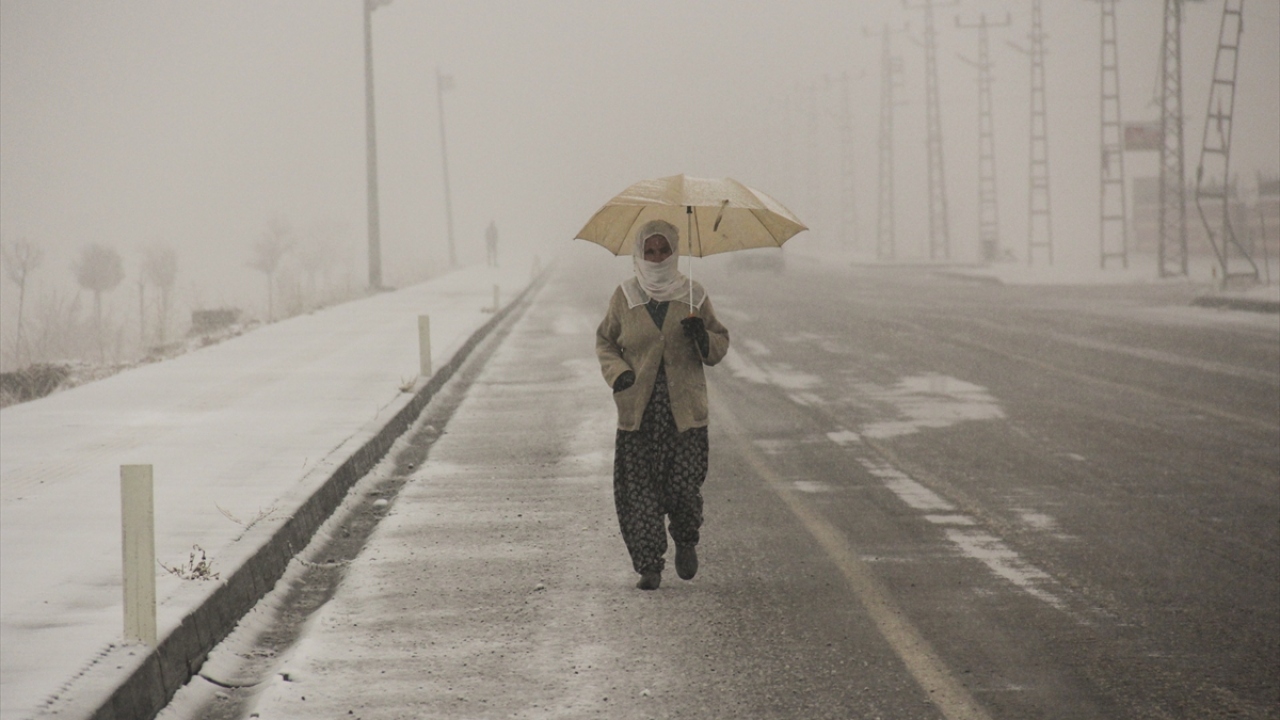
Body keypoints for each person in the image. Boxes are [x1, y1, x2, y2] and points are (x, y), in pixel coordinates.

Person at [595, 219, 730, 590]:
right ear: (640, 254)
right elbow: (605, 342)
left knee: (684, 488)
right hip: (638, 414)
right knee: (638, 492)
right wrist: (618, 373)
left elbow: (718, 345)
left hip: (684, 414)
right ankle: (649, 564)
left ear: (674, 251)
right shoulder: (624, 297)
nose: (657, 257)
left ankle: (686, 540)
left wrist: (701, 336)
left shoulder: (693, 296)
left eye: (664, 249)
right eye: (649, 251)